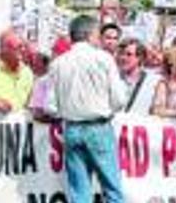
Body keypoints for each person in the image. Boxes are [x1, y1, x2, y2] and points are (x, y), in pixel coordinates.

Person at [47, 15, 126, 203]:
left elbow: (51, 106)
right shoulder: (103, 58)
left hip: (72, 128)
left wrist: (69, 110)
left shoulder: (57, 63)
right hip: (98, 126)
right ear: (91, 34)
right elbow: (119, 99)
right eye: (98, 34)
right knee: (112, 188)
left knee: (79, 191)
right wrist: (106, 110)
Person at [117, 39, 161, 115]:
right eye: (121, 54)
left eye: (129, 54)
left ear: (139, 58)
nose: (123, 58)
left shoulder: (153, 81)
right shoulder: (114, 78)